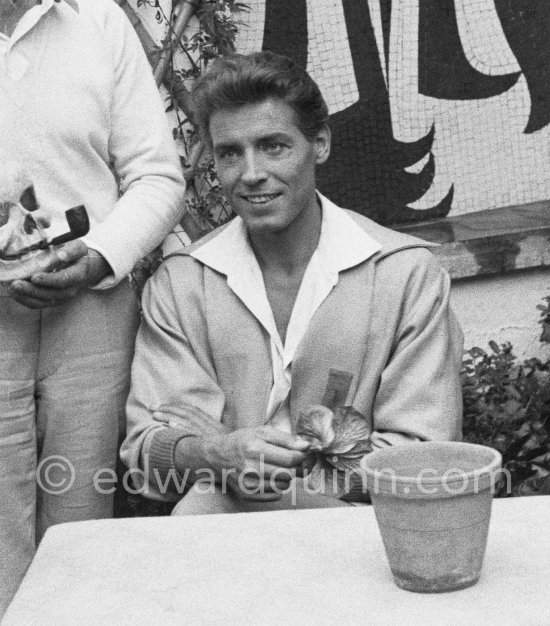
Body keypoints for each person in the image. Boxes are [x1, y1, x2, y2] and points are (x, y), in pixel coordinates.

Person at [121, 51, 463, 515]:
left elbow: (423, 456)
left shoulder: (404, 275)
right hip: (224, 535)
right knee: (202, 505)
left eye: (273, 146)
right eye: (230, 153)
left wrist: (222, 449)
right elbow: (147, 452)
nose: (251, 173)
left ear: (318, 144)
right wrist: (213, 455)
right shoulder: (182, 283)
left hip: (361, 532)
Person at [0, 0, 185, 613]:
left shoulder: (96, 20)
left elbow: (157, 175)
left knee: (81, 524)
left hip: (90, 312)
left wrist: (102, 254)